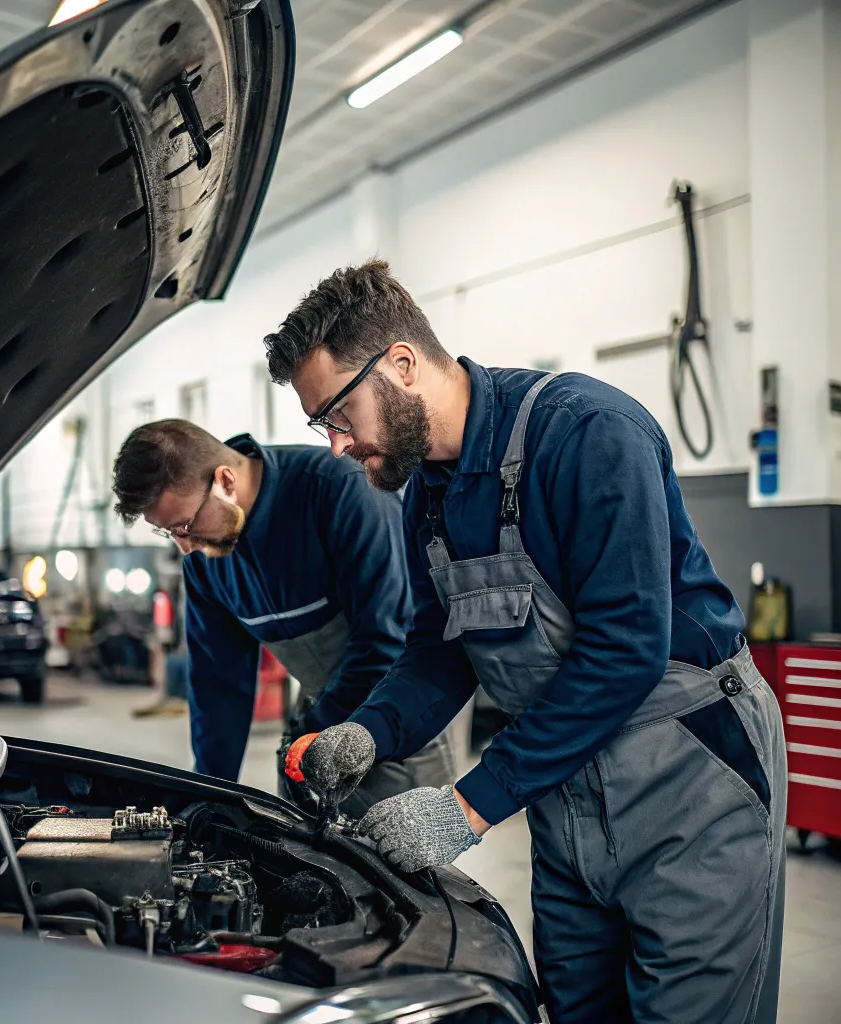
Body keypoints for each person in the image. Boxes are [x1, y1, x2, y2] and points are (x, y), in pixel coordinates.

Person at [266, 260, 786, 1024]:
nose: (336, 447)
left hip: (688, 777)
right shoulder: (428, 495)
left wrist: (468, 806)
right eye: (323, 427)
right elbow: (440, 649)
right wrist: (368, 732)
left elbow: (624, 651)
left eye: (337, 416)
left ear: (401, 365)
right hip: (564, 789)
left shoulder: (586, 433)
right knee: (575, 1007)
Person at [111, 419, 454, 815]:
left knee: (403, 868)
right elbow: (218, 680)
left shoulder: (339, 489)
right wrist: (209, 791)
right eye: (168, 532)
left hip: (397, 716)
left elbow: (389, 639)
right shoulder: (206, 558)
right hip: (319, 715)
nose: (185, 548)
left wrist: (314, 729)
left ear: (225, 480)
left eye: (184, 525)